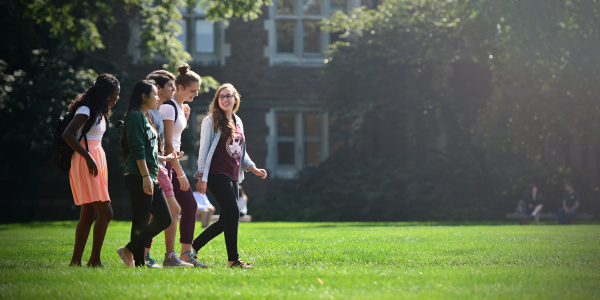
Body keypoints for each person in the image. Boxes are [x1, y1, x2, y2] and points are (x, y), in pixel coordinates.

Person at [193, 83, 268, 268]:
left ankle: (192, 248)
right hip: (216, 173)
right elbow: (203, 151)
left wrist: (253, 168)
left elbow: (241, 151)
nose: (225, 99)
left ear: (235, 99)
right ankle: (233, 260)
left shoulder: (238, 120)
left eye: (229, 96)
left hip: (234, 175)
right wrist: (202, 176)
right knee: (234, 213)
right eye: (221, 96)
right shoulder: (211, 121)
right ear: (217, 101)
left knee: (227, 218)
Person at [116, 79, 182, 267]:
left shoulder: (145, 117)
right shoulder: (136, 117)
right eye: (154, 94)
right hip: (139, 176)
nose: (157, 98)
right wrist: (145, 176)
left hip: (149, 175)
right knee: (141, 219)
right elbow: (137, 149)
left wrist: (166, 159)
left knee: (164, 218)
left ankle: (129, 250)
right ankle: (138, 262)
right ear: (144, 96)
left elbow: (149, 151)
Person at [62, 74, 120, 267]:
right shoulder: (86, 110)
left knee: (88, 214)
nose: (117, 98)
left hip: (96, 159)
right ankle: (94, 260)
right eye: (115, 94)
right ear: (106, 94)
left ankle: (75, 261)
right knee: (106, 212)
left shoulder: (99, 112)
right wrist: (88, 157)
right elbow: (67, 135)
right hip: (85, 160)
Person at [143, 70, 193, 268]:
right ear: (158, 88)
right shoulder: (154, 112)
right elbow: (154, 146)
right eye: (170, 86)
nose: (173, 88)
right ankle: (141, 252)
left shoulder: (161, 109)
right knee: (171, 210)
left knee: (159, 212)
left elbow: (166, 141)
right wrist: (175, 167)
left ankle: (146, 254)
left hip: (163, 164)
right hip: (157, 167)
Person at [160, 63, 204, 267]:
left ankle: (186, 256)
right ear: (180, 88)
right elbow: (168, 144)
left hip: (173, 162)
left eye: (197, 91)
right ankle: (142, 254)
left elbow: (175, 137)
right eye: (192, 91)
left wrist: (184, 116)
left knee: (188, 205)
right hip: (167, 163)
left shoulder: (178, 107)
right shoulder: (168, 106)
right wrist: (180, 172)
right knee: (160, 211)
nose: (195, 95)